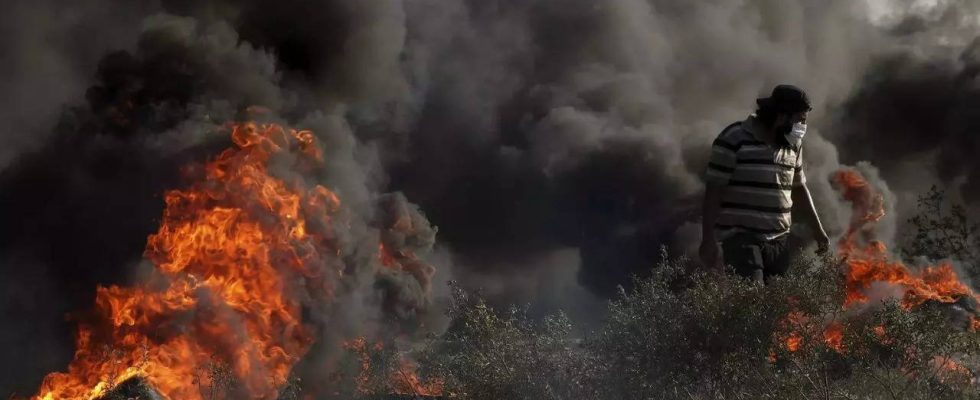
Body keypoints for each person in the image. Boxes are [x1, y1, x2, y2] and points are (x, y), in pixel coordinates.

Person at [699, 84, 830, 284]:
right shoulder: (734, 138)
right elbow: (714, 190)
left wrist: (818, 231)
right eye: (800, 120)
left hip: (779, 241)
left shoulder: (793, 145)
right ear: (782, 117)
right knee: (751, 300)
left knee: (775, 308)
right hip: (741, 239)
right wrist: (708, 238)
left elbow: (799, 188)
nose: (803, 127)